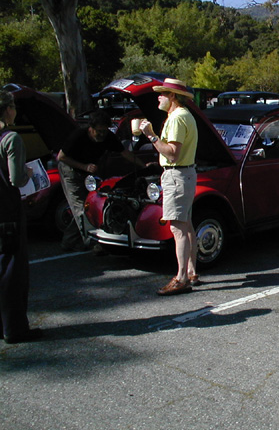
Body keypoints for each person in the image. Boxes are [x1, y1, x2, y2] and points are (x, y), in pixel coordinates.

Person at [140, 78, 199, 296]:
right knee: (187, 225)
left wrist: (151, 135)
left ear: (172, 96)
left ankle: (182, 278)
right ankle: (191, 272)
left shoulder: (176, 118)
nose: (159, 97)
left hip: (177, 176)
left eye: (162, 94)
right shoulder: (186, 116)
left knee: (177, 228)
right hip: (186, 173)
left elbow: (172, 152)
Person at [58, 110, 147, 253]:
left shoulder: (108, 137)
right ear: (90, 128)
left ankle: (68, 241)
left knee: (90, 205)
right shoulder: (78, 136)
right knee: (81, 208)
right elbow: (61, 157)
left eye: (104, 131)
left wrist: (143, 166)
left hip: (89, 175)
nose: (101, 135)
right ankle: (92, 243)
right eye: (98, 131)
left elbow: (124, 153)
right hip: (71, 171)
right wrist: (84, 166)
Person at [0, 90, 42, 343]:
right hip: (8, 211)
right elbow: (16, 178)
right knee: (12, 271)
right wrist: (27, 173)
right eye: (13, 107)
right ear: (7, 110)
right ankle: (15, 328)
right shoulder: (11, 138)